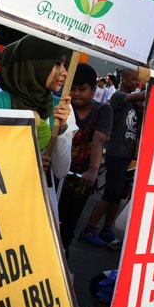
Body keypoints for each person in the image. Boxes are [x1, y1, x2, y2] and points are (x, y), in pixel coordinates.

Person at [0, 35, 77, 188]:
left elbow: (61, 171)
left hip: (37, 203)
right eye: (57, 63)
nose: (64, 72)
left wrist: (61, 129)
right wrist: (27, 162)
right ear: (34, 64)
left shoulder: (61, 110)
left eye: (65, 64)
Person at [79, 67, 145, 247]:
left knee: (118, 195)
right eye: (133, 80)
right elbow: (136, 97)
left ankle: (107, 228)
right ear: (123, 79)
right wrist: (152, 88)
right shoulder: (118, 96)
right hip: (115, 152)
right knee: (109, 194)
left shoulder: (133, 102)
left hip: (126, 154)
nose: (136, 84)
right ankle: (89, 229)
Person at [56, 64, 111, 258]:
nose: (76, 93)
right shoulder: (62, 106)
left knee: (68, 229)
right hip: (54, 177)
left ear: (93, 91)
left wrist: (94, 170)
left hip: (81, 180)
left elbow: (99, 138)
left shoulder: (103, 111)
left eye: (82, 89)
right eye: (73, 88)